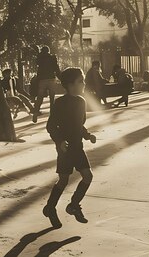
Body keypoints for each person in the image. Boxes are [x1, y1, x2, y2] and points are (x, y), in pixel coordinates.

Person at [43, 67, 97, 228]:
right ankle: (50, 208)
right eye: (81, 81)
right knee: (63, 180)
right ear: (70, 85)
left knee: (88, 176)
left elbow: (79, 124)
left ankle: (73, 205)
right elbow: (51, 126)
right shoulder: (59, 103)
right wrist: (59, 142)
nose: (84, 83)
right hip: (65, 150)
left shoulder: (82, 101)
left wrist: (87, 135)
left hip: (78, 148)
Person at [32, 46, 61, 123]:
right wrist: (61, 77)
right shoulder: (52, 57)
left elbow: (37, 64)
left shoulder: (40, 58)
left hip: (42, 80)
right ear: (49, 51)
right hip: (51, 79)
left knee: (40, 97)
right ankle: (52, 115)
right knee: (52, 98)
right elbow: (56, 68)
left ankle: (35, 112)